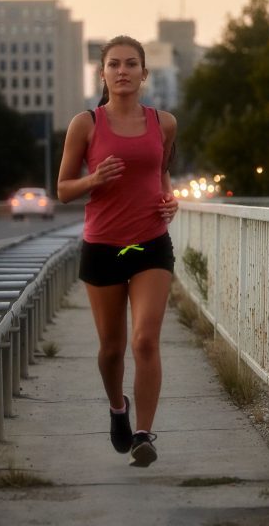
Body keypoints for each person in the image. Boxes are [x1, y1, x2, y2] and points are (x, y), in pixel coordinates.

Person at [57, 35, 179, 467]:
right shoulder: (86, 124)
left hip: (150, 243)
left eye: (131, 64)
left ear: (144, 74)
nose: (123, 71)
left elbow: (161, 173)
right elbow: (62, 189)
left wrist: (171, 199)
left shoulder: (163, 123)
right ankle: (117, 409)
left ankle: (144, 434)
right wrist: (93, 180)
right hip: (104, 245)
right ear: (104, 73)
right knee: (111, 348)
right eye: (114, 64)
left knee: (145, 340)